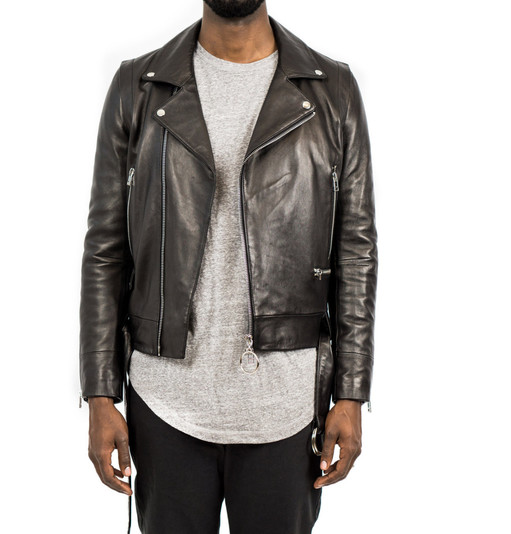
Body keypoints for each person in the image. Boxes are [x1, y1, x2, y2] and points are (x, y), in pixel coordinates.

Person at [79, 1, 378, 532]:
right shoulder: (138, 88)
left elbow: (355, 250)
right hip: (165, 404)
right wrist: (100, 394)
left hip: (285, 409)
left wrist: (351, 393)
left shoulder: (332, 92)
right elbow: (106, 248)